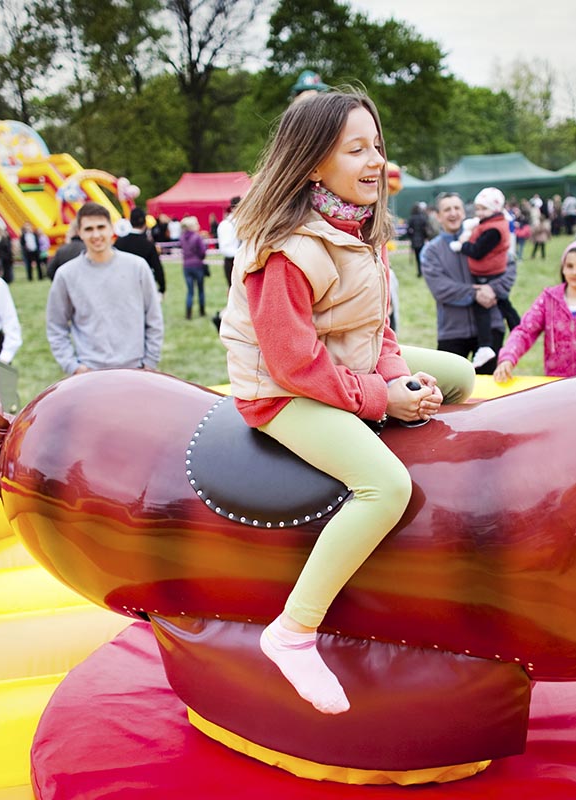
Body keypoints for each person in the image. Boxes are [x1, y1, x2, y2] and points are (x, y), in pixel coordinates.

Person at [218, 89, 475, 715]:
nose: (373, 161)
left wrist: (402, 382)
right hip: (282, 392)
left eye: (377, 146)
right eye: (354, 149)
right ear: (312, 163)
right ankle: (294, 632)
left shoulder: (361, 226)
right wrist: (379, 398)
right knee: (385, 487)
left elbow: (376, 329)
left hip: (346, 366)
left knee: (461, 374)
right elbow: (294, 363)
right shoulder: (286, 249)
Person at [46, 202, 163, 375]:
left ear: (111, 229)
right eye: (89, 229)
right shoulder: (66, 275)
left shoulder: (137, 267)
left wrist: (150, 361)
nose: (96, 234)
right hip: (90, 372)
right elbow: (56, 325)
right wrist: (73, 366)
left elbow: (153, 317)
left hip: (136, 369)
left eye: (101, 227)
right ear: (79, 233)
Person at [492, 239, 576, 382]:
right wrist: (508, 358)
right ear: (563, 267)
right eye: (569, 266)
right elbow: (525, 331)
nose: (575, 272)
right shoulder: (549, 298)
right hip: (556, 384)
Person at [421, 192, 517, 374]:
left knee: (490, 391)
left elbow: (510, 267)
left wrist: (491, 290)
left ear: (464, 212)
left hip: (490, 327)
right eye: (447, 209)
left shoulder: (484, 237)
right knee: (449, 390)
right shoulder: (431, 251)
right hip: (452, 330)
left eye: (457, 208)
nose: (453, 213)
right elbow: (441, 288)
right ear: (438, 216)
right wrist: (475, 293)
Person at [449, 187, 520, 368]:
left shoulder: (493, 230)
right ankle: (519, 329)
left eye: (484, 209)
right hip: (489, 271)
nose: (480, 213)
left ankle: (485, 345)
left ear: (494, 210)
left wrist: (461, 245)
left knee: (482, 307)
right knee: (504, 303)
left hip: (487, 273)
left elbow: (478, 251)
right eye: (478, 209)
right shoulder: (492, 224)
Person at [115, 207, 166, 295]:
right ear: (145, 222)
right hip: (143, 286)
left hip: (122, 286)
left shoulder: (119, 243)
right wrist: (162, 288)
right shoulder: (149, 245)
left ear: (130, 221)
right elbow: (157, 268)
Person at [179, 215, 208, 320]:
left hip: (186, 266)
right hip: (197, 265)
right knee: (200, 290)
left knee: (190, 291)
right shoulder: (197, 237)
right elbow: (202, 253)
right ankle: (202, 311)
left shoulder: (182, 237)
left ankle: (188, 313)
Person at [215, 197, 241, 287]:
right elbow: (225, 248)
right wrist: (241, 254)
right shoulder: (226, 225)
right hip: (233, 261)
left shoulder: (243, 222)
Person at [407, 202, 430, 274]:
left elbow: (408, 230)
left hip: (414, 240)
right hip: (422, 239)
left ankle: (419, 272)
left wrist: (411, 236)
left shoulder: (411, 218)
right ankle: (423, 271)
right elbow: (426, 229)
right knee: (423, 255)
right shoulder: (423, 218)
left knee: (417, 257)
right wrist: (426, 236)